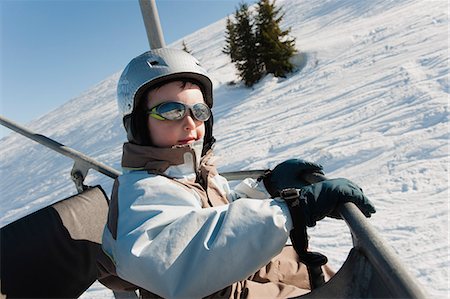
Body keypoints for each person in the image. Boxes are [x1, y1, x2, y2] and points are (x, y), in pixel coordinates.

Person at [97, 48, 376, 298]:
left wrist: (266, 188)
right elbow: (172, 261)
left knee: (317, 270)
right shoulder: (142, 190)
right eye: (171, 111)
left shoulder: (193, 171)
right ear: (138, 124)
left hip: (232, 274)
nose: (189, 123)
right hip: (210, 291)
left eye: (199, 110)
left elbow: (220, 214)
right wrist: (290, 210)